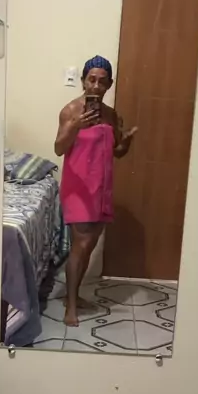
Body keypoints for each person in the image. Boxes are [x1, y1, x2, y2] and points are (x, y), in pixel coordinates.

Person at [55, 55, 138, 326]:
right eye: (91, 79)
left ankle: (74, 295)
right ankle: (70, 306)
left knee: (88, 246)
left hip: (101, 189)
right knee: (80, 245)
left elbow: (116, 152)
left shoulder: (111, 115)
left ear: (109, 84)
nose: (96, 86)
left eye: (102, 81)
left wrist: (126, 142)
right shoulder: (70, 111)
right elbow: (59, 148)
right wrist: (74, 126)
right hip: (78, 188)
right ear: (83, 81)